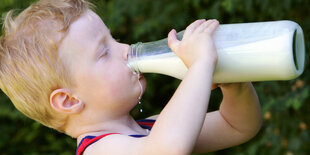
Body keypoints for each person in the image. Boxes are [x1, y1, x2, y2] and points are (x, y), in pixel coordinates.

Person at [0, 0, 262, 154]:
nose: (125, 50)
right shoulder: (99, 150)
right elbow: (166, 150)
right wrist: (200, 65)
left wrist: (233, 85)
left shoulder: (149, 131)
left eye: (115, 39)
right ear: (69, 100)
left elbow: (237, 125)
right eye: (104, 52)